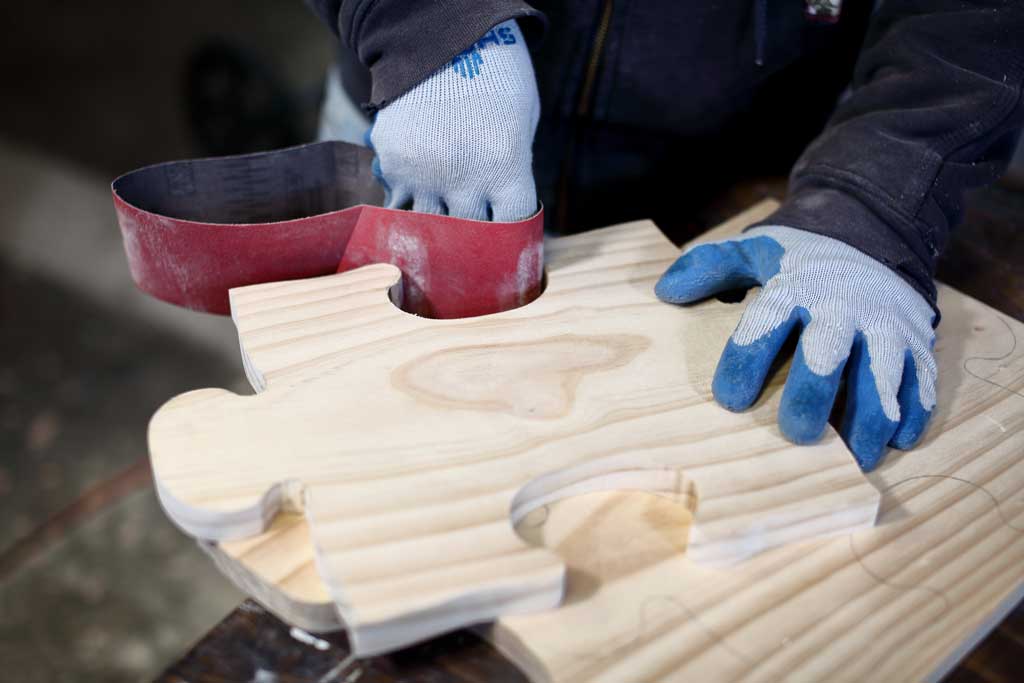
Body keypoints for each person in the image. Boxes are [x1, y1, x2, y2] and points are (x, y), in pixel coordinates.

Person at [305, 1, 1024, 470]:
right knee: (341, 440)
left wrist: (875, 201)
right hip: (417, 114)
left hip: (717, 177)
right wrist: (424, 29)